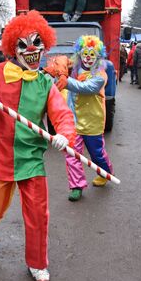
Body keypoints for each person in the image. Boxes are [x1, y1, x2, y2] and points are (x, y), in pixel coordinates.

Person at [0, 11, 75, 281]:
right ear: (14, 49)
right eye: (24, 44)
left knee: (38, 213)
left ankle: (37, 263)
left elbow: (62, 114)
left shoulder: (46, 82)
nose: (32, 49)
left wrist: (64, 134)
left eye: (37, 42)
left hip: (31, 159)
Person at [57, 35, 114, 201]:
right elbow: (59, 60)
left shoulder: (100, 75)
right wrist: (60, 68)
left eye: (92, 54)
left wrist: (65, 81)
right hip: (73, 120)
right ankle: (77, 186)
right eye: (85, 53)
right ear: (79, 54)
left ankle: (105, 172)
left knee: (97, 154)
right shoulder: (74, 69)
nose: (88, 57)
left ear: (98, 56)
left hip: (92, 121)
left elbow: (85, 88)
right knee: (71, 154)